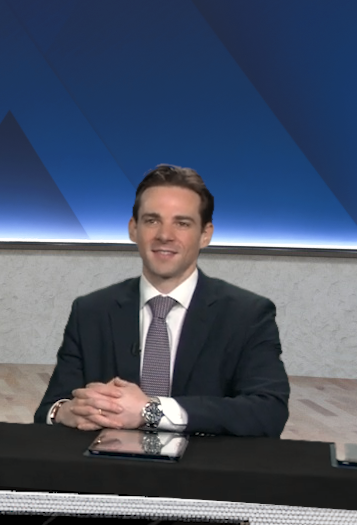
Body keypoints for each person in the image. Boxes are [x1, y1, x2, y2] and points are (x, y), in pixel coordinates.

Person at [36, 164, 289, 437]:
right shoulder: (90, 311)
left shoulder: (247, 315)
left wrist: (151, 410)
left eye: (182, 223)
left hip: (202, 463)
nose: (165, 235)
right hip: (107, 461)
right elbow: (50, 407)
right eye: (152, 221)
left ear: (205, 234)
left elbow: (268, 412)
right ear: (133, 229)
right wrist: (64, 411)